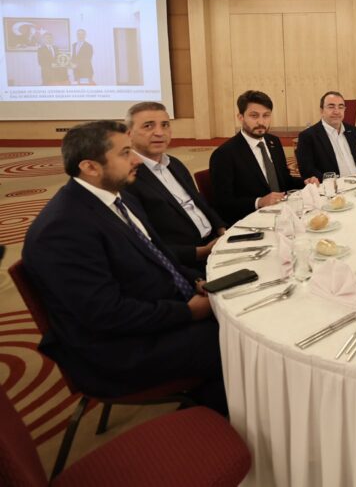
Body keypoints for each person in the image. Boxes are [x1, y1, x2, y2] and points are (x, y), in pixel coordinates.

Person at [21, 121, 226, 413]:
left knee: (239, 310)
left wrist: (195, 280)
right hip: (116, 349)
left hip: (155, 307)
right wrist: (187, 312)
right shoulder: (61, 230)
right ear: (90, 167)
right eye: (125, 153)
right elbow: (105, 314)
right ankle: (208, 420)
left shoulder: (120, 197)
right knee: (231, 341)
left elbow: (160, 254)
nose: (136, 160)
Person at [126, 102, 225, 268]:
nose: (159, 133)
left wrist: (222, 229)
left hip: (215, 243)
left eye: (165, 125)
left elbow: (200, 202)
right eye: (148, 126)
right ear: (129, 134)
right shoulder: (127, 177)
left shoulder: (175, 164)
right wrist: (201, 252)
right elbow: (144, 243)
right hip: (185, 262)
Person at [209, 90, 311, 226]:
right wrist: (259, 202)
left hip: (284, 214)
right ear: (240, 117)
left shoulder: (273, 142)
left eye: (266, 115)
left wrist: (305, 182)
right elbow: (223, 203)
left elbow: (284, 181)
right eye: (254, 116)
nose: (261, 122)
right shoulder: (224, 154)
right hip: (252, 222)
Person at [295, 91, 356, 180]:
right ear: (321, 110)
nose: (336, 111)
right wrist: (334, 184)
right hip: (334, 186)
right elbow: (307, 171)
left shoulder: (354, 131)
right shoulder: (308, 136)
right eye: (331, 107)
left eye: (341, 107)